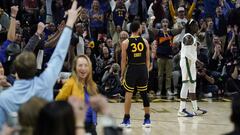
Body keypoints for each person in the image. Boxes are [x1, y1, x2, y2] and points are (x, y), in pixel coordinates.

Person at [0, 1, 81, 129]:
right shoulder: (44, 84)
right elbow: (59, 55)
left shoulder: (4, 98)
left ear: (16, 70)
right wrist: (69, 24)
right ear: (34, 69)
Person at [55, 55, 98, 135]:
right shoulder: (70, 83)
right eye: (80, 65)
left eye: (86, 65)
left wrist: (94, 122)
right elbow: (58, 103)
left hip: (90, 128)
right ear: (75, 68)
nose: (83, 68)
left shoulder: (92, 85)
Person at [120, 21, 151, 127]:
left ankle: (127, 120)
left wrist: (122, 74)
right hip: (142, 68)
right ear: (138, 29)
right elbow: (148, 59)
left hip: (132, 68)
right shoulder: (145, 41)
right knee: (144, 94)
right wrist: (146, 71)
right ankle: (147, 119)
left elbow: (123, 61)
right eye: (141, 27)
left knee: (128, 94)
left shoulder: (125, 43)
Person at [178, 19, 207, 117]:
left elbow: (202, 38)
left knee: (192, 85)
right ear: (190, 27)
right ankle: (181, 110)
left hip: (191, 63)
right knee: (185, 85)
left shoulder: (193, 37)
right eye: (195, 25)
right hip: (187, 62)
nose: (197, 27)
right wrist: (197, 61)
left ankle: (195, 109)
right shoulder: (187, 37)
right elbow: (186, 53)